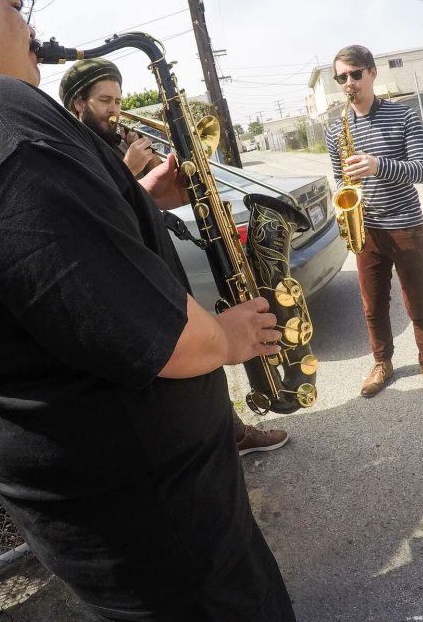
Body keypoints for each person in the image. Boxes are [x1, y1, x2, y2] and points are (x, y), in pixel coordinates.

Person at [0, 0, 296, 622]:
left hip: (108, 492)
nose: (30, 27)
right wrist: (232, 337)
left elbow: (42, 267)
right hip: (149, 503)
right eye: (18, 6)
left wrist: (136, 200)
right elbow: (149, 337)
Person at [58, 58, 289, 457]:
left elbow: (136, 203)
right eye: (104, 100)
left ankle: (228, 432)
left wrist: (162, 183)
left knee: (200, 353)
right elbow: (95, 215)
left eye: (117, 99)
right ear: (78, 103)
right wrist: (130, 170)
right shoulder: (71, 148)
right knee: (183, 363)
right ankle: (215, 442)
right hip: (131, 278)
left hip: (158, 259)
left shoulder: (111, 140)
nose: (114, 109)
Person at [325, 44, 423, 404]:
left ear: (372, 72)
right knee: (372, 306)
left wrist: (379, 165)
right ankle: (382, 363)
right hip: (366, 231)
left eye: (355, 74)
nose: (349, 83)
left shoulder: (405, 116)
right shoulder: (336, 132)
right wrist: (345, 215)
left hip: (406, 225)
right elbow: (340, 181)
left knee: (419, 303)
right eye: (342, 77)